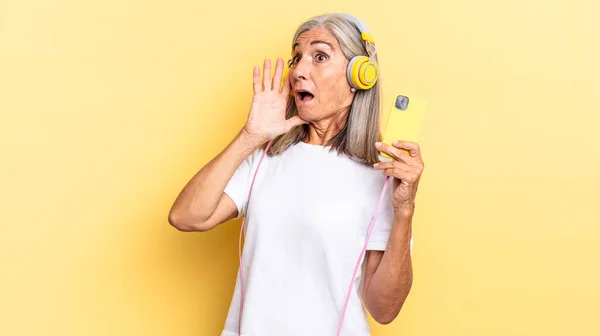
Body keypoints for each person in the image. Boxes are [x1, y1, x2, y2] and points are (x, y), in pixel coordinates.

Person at [168, 12, 425, 336]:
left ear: (359, 76)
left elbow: (383, 309)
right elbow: (187, 217)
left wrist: (404, 210)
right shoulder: (265, 159)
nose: (299, 71)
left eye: (319, 56)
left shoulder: (381, 176)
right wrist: (249, 136)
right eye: (296, 58)